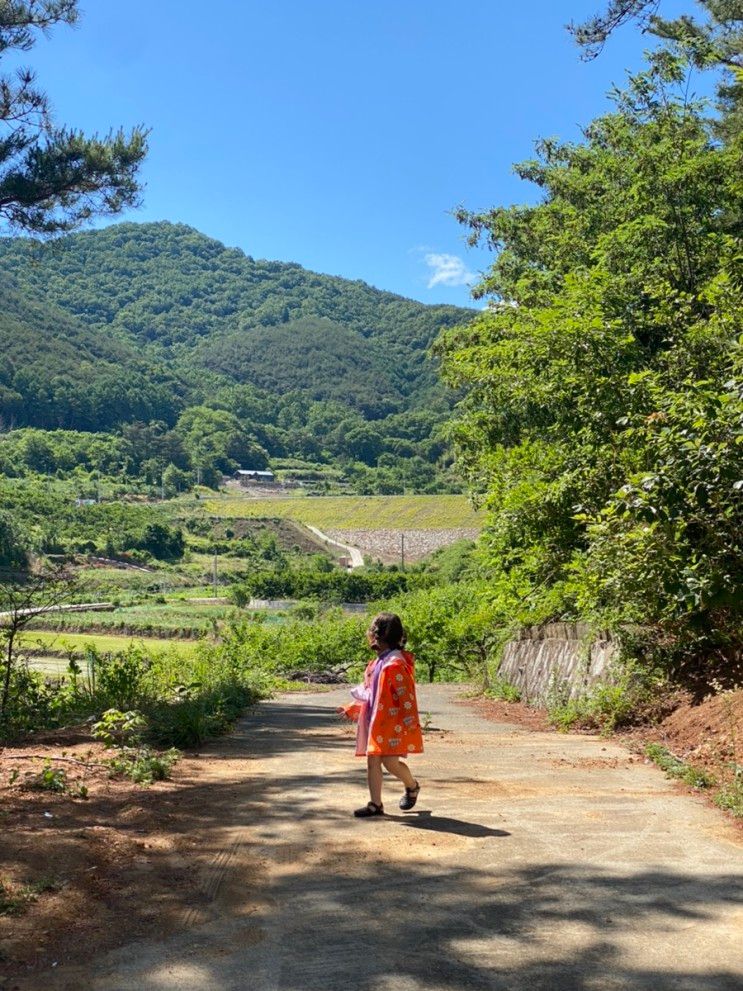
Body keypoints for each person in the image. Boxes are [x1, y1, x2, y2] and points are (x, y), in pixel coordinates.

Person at [338, 612, 424, 817]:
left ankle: (412, 786)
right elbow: (372, 692)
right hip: (376, 720)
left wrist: (410, 721)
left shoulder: (394, 664)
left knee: (390, 762)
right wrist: (355, 706)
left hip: (391, 722)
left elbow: (406, 695)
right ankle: (375, 804)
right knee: (373, 760)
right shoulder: (378, 663)